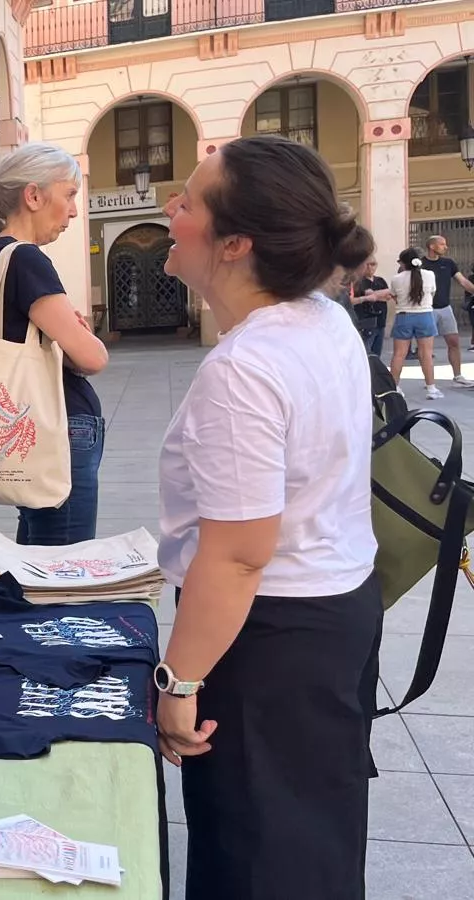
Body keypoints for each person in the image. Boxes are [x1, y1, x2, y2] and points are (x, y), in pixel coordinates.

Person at [156, 135, 380, 900]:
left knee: (257, 857)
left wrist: (177, 679)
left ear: (235, 243)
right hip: (332, 612)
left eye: (187, 201)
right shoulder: (322, 319)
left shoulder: (246, 367)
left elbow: (239, 555)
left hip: (267, 638)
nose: (170, 210)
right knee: (311, 841)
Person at [0, 143, 110, 545]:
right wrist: (82, 336)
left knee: (36, 564)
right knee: (61, 570)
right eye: (69, 195)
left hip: (31, 428)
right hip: (58, 429)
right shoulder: (26, 259)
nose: (73, 211)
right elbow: (92, 357)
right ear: (33, 196)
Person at [422, 235, 474, 383]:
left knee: (454, 342)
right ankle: (429, 381)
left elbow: (463, 281)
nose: (446, 247)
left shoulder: (449, 263)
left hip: (445, 308)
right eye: (442, 244)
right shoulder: (421, 264)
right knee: (427, 347)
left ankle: (458, 375)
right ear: (432, 246)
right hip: (427, 309)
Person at [389, 247, 439, 398]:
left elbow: (394, 296)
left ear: (403, 263)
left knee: (399, 354)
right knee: (426, 354)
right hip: (425, 315)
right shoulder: (430, 275)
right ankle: (431, 389)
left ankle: (394, 388)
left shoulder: (396, 278)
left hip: (404, 316)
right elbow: (432, 293)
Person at [349, 256, 388, 356]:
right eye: (367, 265)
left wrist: (375, 294)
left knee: (376, 354)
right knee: (365, 353)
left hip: (380, 322)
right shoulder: (357, 282)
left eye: (373, 264)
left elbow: (388, 295)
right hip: (365, 322)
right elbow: (350, 300)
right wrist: (365, 298)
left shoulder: (380, 280)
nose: (370, 268)